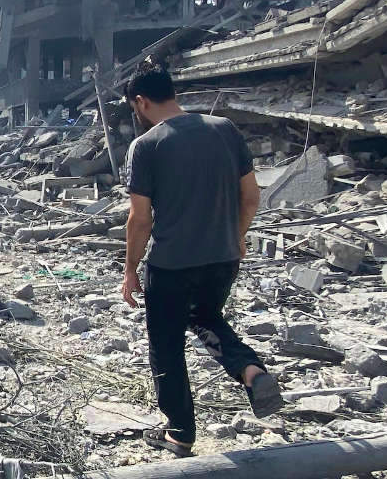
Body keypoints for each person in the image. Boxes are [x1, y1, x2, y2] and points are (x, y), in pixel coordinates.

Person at [120, 60, 283, 456]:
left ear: (140, 102)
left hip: (172, 264)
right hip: (222, 257)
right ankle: (250, 370)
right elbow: (252, 196)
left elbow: (140, 220)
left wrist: (130, 271)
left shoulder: (146, 146)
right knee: (206, 317)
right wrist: (237, 237)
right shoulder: (224, 129)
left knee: (167, 345)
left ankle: (180, 433)